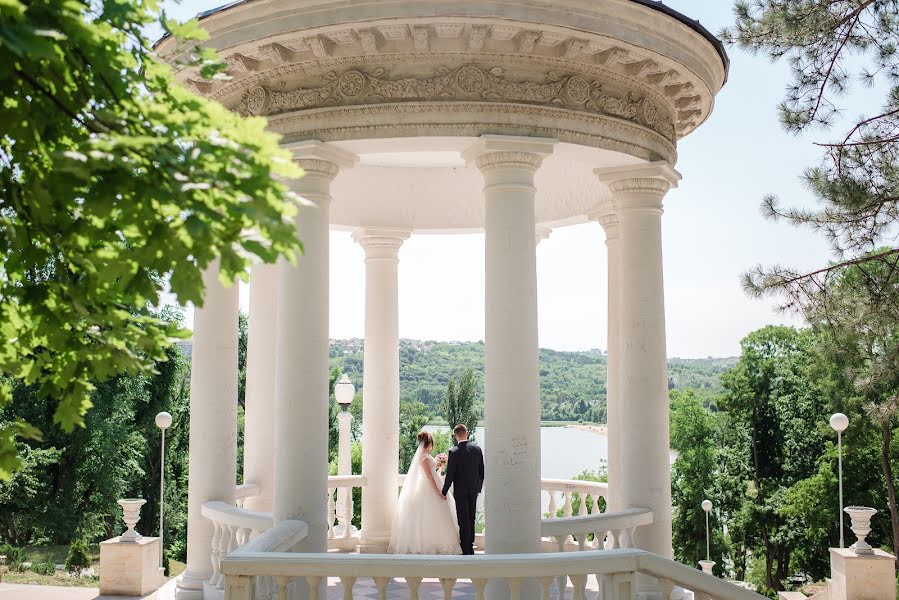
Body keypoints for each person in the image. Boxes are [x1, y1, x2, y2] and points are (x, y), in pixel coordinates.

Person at [389, 431, 462, 554]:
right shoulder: (424, 457)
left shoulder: (426, 456)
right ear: (430, 444)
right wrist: (438, 491)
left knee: (435, 514)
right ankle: (431, 544)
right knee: (430, 515)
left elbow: (432, 471)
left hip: (430, 484)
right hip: (428, 487)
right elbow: (429, 476)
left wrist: (439, 464)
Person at [441, 424, 485, 555]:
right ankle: (470, 545)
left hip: (460, 491)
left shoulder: (453, 452)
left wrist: (444, 491)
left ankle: (465, 547)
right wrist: (478, 486)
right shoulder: (477, 449)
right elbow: (482, 471)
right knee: (471, 517)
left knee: (463, 518)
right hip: (474, 489)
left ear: (455, 435)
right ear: (467, 433)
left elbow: (450, 475)